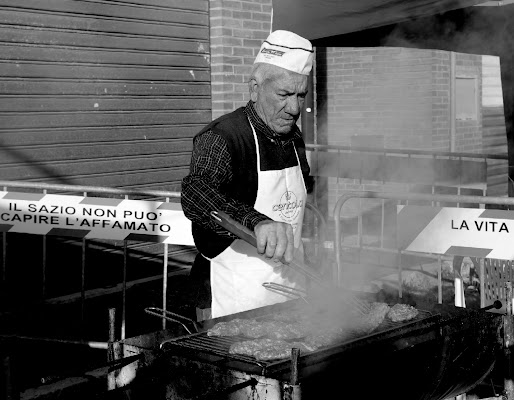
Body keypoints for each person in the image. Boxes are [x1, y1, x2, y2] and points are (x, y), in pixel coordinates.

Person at [181, 30, 314, 320]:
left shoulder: (293, 138)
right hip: (234, 295)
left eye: (300, 95)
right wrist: (257, 223)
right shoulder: (223, 136)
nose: (294, 108)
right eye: (284, 94)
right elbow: (197, 193)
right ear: (255, 89)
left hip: (291, 291)